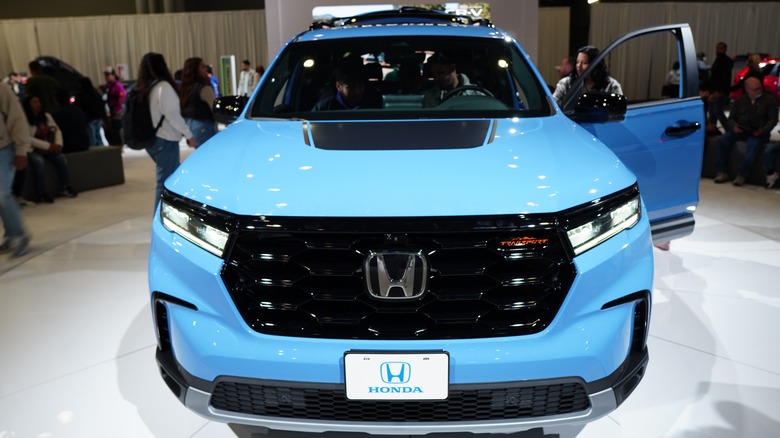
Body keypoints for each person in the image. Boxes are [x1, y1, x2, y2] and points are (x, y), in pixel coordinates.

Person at [134, 52, 196, 205]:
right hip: (165, 140)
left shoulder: (146, 88)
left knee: (169, 178)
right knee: (164, 183)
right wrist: (188, 134)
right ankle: (159, 219)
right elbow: (173, 115)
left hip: (153, 140)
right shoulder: (164, 87)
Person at [713, 77, 779, 186]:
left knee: (753, 146)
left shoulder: (769, 100)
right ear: (747, 89)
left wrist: (763, 130)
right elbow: (731, 118)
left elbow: (773, 119)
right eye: (755, 89)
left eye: (759, 88)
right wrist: (734, 126)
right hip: (741, 130)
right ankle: (721, 171)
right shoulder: (740, 100)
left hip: (758, 132)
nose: (758, 91)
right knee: (722, 141)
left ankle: (742, 174)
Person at [22, 95, 77, 202]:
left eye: (39, 102)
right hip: (33, 149)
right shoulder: (24, 120)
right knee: (38, 162)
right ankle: (41, 192)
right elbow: (28, 139)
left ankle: (66, 186)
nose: (38, 104)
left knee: (61, 158)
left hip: (50, 146)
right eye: (35, 102)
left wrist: (58, 144)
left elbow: (57, 130)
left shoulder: (46, 116)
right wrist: (48, 146)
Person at [0, 80, 32, 257]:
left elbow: (17, 117)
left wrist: (21, 149)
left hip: (4, 149)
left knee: (2, 194)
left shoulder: (1, 89)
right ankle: (10, 234)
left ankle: (19, 235)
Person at [552, 45, 622, 106]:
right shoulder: (565, 83)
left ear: (596, 65)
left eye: (584, 63)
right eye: (577, 62)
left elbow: (619, 111)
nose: (579, 66)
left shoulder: (612, 85)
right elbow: (554, 107)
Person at [179, 57, 217, 146]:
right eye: (203, 67)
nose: (206, 69)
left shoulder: (185, 88)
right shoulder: (203, 88)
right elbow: (216, 108)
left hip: (191, 124)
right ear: (195, 70)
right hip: (204, 126)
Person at [312, 64, 381, 111]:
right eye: (351, 87)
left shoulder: (374, 103)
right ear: (338, 86)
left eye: (360, 86)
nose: (357, 92)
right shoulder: (324, 108)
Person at [706, 42, 733, 135]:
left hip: (720, 91)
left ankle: (730, 131)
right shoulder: (718, 60)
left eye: (721, 48)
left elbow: (726, 78)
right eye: (717, 48)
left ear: (725, 49)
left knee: (718, 112)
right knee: (712, 111)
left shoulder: (726, 61)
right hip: (714, 90)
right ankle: (712, 129)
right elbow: (714, 77)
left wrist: (720, 92)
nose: (718, 50)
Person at [74, 77, 106, 146]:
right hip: (98, 117)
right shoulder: (95, 93)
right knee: (98, 136)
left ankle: (94, 154)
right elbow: (101, 105)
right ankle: (102, 151)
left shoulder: (80, 95)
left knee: (92, 138)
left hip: (89, 119)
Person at [102, 66, 126, 145]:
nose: (106, 77)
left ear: (113, 75)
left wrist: (118, 110)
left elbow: (122, 98)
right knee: (110, 131)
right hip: (109, 113)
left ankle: (119, 147)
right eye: (105, 75)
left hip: (116, 113)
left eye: (108, 75)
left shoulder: (118, 85)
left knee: (117, 131)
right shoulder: (107, 86)